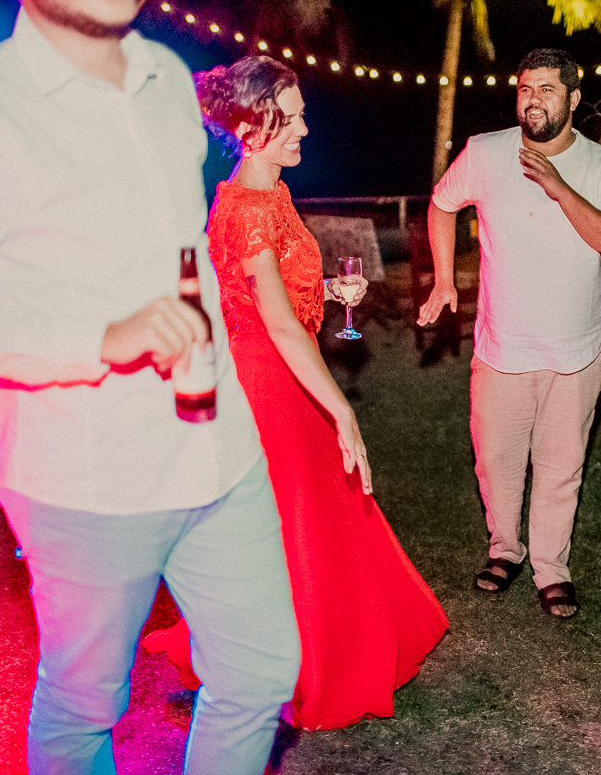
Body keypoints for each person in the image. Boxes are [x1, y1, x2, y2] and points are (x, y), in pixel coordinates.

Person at [0, 0, 300, 773]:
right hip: (87, 480)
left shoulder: (169, 84)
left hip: (222, 452)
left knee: (259, 676)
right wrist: (99, 336)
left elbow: (183, 249)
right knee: (84, 708)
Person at [149, 55, 446, 731]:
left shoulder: (266, 195)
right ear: (254, 127)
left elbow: (281, 300)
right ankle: (288, 667)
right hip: (266, 388)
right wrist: (342, 408)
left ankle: (293, 653)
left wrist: (326, 294)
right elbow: (273, 322)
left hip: (284, 374)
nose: (307, 129)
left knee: (307, 524)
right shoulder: (249, 208)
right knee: (296, 530)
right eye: (294, 116)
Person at [418, 48, 601, 619]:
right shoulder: (487, 153)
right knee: (496, 461)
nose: (532, 99)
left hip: (577, 350)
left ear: (573, 97)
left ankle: (551, 568)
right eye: (523, 89)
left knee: (561, 466)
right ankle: (504, 548)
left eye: (545, 88)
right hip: (501, 346)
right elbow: (442, 204)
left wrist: (560, 188)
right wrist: (446, 280)